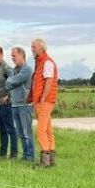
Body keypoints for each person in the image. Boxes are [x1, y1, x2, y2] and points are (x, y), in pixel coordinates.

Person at [29, 39, 58, 167]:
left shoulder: (47, 62)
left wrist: (42, 99)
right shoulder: (40, 62)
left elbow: (49, 81)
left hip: (45, 101)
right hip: (42, 101)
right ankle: (51, 159)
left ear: (42, 48)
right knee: (47, 130)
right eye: (31, 47)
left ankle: (45, 161)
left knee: (40, 131)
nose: (32, 49)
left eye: (34, 47)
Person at [5, 47, 34, 162]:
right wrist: (11, 82)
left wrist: (11, 81)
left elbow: (12, 81)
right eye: (11, 56)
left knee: (27, 132)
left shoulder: (26, 69)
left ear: (21, 55)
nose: (12, 58)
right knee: (21, 133)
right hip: (15, 104)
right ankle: (25, 155)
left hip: (25, 105)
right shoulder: (13, 70)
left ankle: (30, 156)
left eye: (14, 56)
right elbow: (8, 84)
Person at [0, 46, 17, 158]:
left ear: (1, 55)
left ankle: (14, 153)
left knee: (10, 129)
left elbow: (15, 81)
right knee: (1, 129)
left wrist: (8, 96)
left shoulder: (6, 68)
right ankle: (2, 153)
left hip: (4, 105)